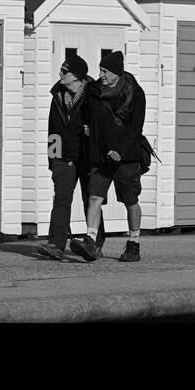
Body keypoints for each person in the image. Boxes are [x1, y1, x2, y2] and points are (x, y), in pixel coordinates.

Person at [69, 50, 147, 264]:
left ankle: (133, 244)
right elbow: (86, 112)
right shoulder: (95, 91)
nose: (101, 74)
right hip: (100, 157)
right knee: (94, 196)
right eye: (100, 70)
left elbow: (135, 128)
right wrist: (87, 129)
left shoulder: (135, 93)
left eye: (105, 71)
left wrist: (120, 150)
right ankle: (90, 241)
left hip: (127, 157)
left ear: (117, 73)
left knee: (130, 200)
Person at [36, 54, 105, 262]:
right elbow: (53, 130)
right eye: (61, 70)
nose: (60, 74)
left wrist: (93, 134)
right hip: (63, 158)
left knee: (90, 200)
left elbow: (103, 125)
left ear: (77, 77)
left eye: (64, 72)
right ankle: (56, 244)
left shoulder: (93, 95)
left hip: (87, 158)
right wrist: (53, 160)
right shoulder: (57, 94)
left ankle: (95, 244)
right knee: (62, 199)